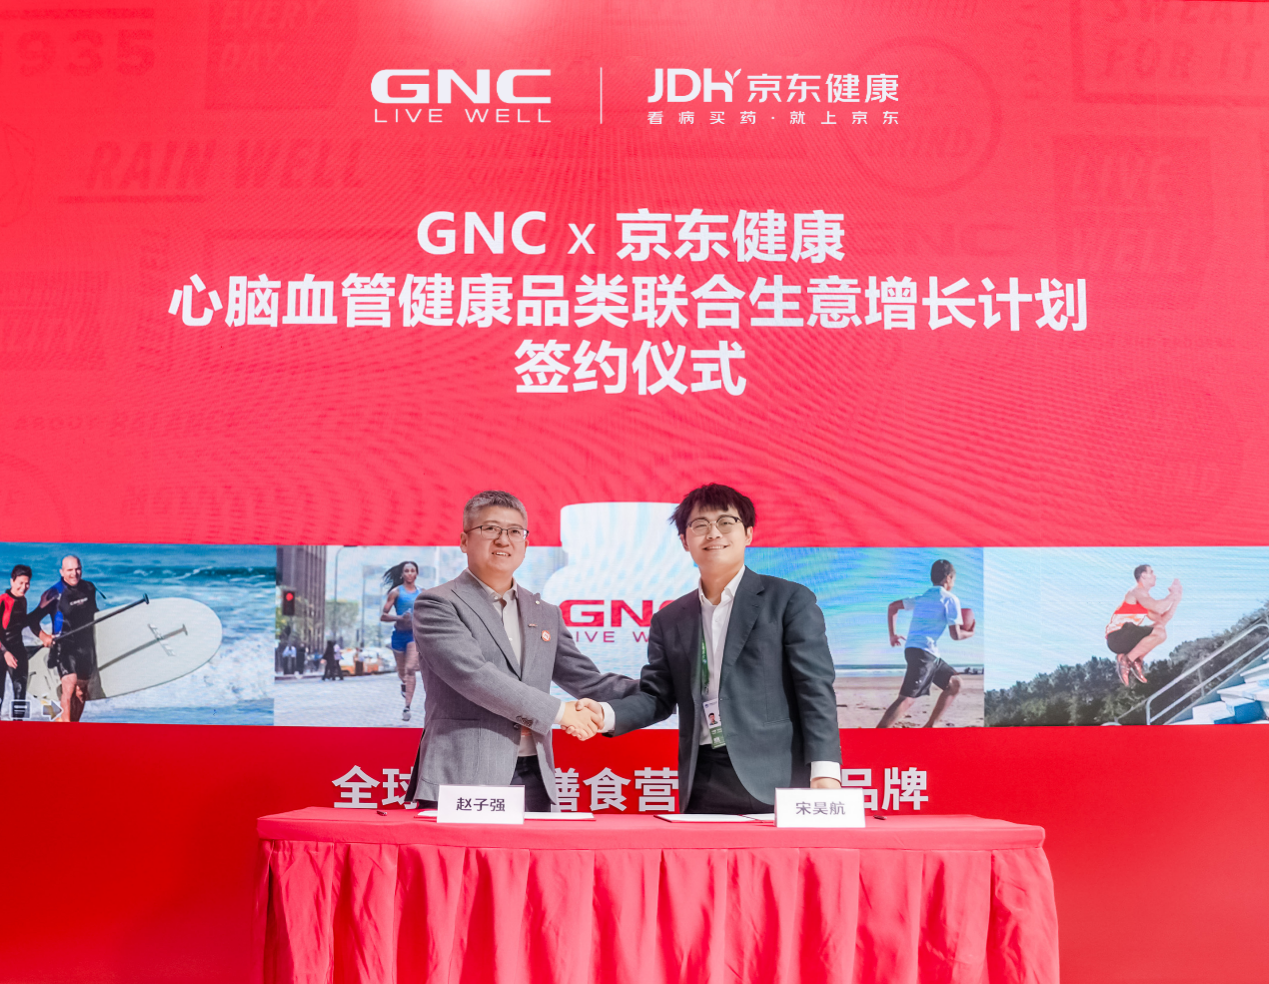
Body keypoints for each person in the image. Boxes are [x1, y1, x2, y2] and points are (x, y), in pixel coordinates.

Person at [579, 484, 842, 814]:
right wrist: (605, 714)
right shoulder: (670, 619)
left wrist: (825, 772)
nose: (713, 533)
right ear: (684, 540)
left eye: (726, 522)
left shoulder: (788, 599)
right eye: (700, 524)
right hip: (701, 778)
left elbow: (814, 687)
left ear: (748, 534)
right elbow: (657, 696)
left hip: (777, 777)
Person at [403, 490, 639, 812]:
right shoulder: (438, 603)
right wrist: (562, 713)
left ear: (526, 544)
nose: (504, 540)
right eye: (490, 529)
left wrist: (662, 690)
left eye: (515, 531)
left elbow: (588, 681)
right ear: (464, 541)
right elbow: (475, 677)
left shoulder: (545, 613)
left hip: (535, 775)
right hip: (463, 774)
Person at [878, 559, 973, 728]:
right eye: (954, 580)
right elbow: (956, 635)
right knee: (907, 698)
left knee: (955, 683)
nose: (953, 583)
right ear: (948, 578)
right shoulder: (950, 599)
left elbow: (893, 606)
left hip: (923, 652)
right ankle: (875, 736)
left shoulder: (922, 598)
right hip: (923, 653)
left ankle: (930, 727)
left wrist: (892, 635)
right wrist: (971, 632)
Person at [35, 555, 100, 723]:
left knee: (81, 692)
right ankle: (66, 730)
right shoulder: (53, 593)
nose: (74, 573)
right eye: (69, 570)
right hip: (64, 645)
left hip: (86, 646)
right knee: (69, 686)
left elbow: (96, 614)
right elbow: (32, 619)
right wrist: (43, 636)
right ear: (61, 572)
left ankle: (70, 723)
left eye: (77, 569)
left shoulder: (89, 588)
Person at [1105, 565, 1181, 686]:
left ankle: (1134, 659)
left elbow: (1162, 621)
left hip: (1122, 639)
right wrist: (1172, 595)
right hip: (1116, 636)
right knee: (1159, 632)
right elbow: (1159, 607)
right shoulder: (1137, 591)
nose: (1155, 575)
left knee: (1160, 633)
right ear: (1144, 576)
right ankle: (1128, 660)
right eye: (1152, 572)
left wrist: (1176, 600)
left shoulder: (1144, 601)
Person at [1, 565, 54, 720]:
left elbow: (23, 623)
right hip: (2, 651)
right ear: (12, 581)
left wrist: (41, 607)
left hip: (18, 651)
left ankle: (17, 729)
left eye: (27, 583)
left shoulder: (22, 601)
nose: (24, 587)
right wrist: (5, 653)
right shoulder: (3, 601)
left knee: (20, 695)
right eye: (20, 583)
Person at [381, 561, 423, 721]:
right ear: (402, 574)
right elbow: (383, 616)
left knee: (410, 668)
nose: (410, 573)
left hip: (413, 635)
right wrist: (399, 618)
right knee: (402, 672)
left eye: (412, 570)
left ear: (416, 574)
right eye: (407, 571)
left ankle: (407, 707)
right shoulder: (396, 592)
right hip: (398, 635)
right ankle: (404, 684)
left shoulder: (422, 593)